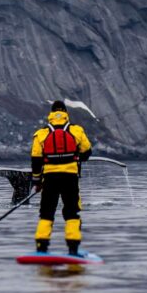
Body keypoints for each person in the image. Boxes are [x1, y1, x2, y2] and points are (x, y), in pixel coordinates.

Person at [31, 100, 92, 256]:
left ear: (50, 114)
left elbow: (36, 160)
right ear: (66, 113)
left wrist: (37, 181)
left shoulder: (41, 134)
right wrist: (76, 156)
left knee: (46, 213)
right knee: (72, 213)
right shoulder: (76, 131)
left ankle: (41, 248)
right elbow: (87, 152)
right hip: (70, 178)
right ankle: (73, 248)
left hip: (50, 179)